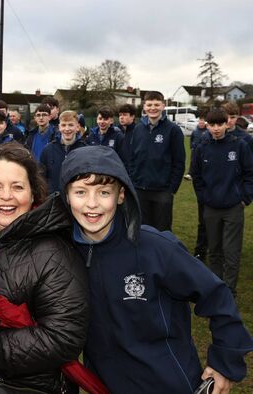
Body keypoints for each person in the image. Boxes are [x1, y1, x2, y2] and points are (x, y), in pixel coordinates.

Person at [60, 145, 253, 394]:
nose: (92, 204)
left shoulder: (156, 248)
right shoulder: (62, 253)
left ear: (121, 195)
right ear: (66, 195)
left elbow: (216, 294)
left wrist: (225, 363)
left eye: (104, 192)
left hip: (166, 383)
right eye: (80, 192)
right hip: (105, 385)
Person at [0, 143, 88, 393]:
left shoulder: (54, 253)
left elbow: (65, 337)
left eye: (18, 187)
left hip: (27, 386)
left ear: (34, 194)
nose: (6, 196)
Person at [191, 108, 253, 297]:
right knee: (215, 250)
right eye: (212, 125)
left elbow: (250, 174)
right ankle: (216, 287)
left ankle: (229, 290)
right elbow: (196, 176)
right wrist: (204, 198)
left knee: (231, 251)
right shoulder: (202, 148)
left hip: (234, 207)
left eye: (220, 124)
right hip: (211, 207)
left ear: (227, 124)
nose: (216, 129)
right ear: (207, 125)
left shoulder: (239, 146)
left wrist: (244, 198)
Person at [130, 91, 185, 231]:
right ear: (144, 106)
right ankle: (145, 254)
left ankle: (163, 253)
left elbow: (179, 162)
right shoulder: (138, 129)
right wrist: (134, 181)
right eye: (149, 104)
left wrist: (171, 189)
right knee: (143, 230)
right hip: (140, 188)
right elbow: (132, 158)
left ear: (163, 106)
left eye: (156, 104)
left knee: (162, 230)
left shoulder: (173, 130)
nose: (152, 108)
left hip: (162, 191)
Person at [40, 110, 87, 194]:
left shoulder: (85, 150)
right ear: (59, 127)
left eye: (71, 125)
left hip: (76, 199)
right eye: (63, 125)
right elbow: (41, 176)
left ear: (77, 127)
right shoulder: (48, 149)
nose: (67, 129)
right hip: (53, 199)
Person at [187, 111, 209, 262]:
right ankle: (201, 251)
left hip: (225, 194)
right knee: (204, 223)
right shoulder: (198, 135)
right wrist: (200, 192)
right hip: (205, 192)